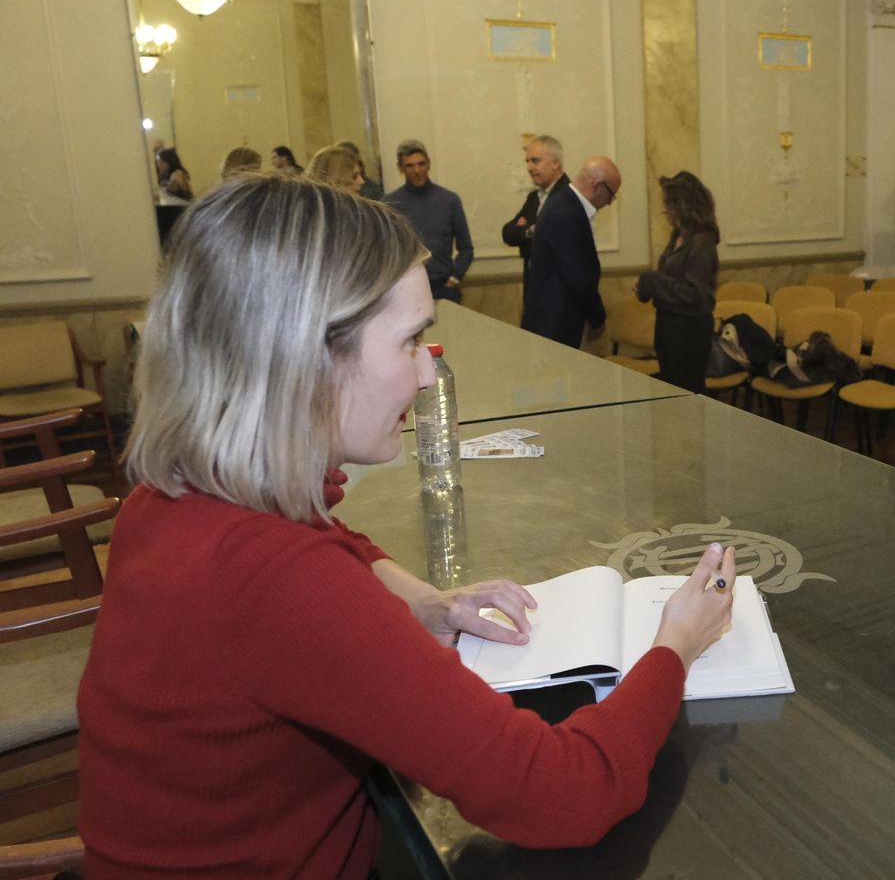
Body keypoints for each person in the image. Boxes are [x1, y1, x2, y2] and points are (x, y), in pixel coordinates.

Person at [76, 174, 738, 875]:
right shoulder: (280, 580)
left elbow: (330, 537)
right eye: (409, 341)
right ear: (307, 358)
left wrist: (423, 599)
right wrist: (676, 644)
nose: (426, 375)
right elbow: (561, 793)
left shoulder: (164, 499)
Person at [633, 171, 719, 392]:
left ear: (682, 206)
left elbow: (694, 294)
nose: (663, 210)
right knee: (672, 393)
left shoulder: (701, 242)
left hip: (688, 333)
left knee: (687, 393)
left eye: (667, 204)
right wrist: (647, 286)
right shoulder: (679, 237)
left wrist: (650, 280)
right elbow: (671, 281)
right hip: (670, 328)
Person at [522, 156, 620, 347]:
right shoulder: (566, 212)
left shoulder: (564, 204)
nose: (609, 202)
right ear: (597, 186)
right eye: (611, 195)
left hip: (553, 321)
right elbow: (580, 275)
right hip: (553, 325)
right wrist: (597, 319)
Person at [384, 139, 474, 303]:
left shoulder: (449, 200)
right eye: (410, 166)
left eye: (421, 164)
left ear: (429, 164)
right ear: (401, 168)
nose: (417, 170)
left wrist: (454, 277)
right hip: (406, 290)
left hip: (444, 287)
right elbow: (385, 251)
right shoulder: (390, 204)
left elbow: (466, 248)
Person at [502, 134, 570, 291]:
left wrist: (525, 231)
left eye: (535, 161)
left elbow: (553, 243)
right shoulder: (534, 197)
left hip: (559, 292)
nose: (529, 168)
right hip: (533, 287)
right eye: (527, 161)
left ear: (555, 163)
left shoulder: (569, 197)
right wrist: (531, 231)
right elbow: (507, 233)